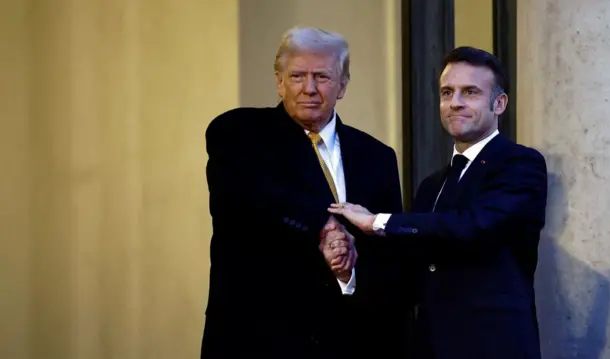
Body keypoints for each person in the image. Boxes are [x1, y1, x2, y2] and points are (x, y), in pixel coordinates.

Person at [201, 26, 414, 359]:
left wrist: (349, 272)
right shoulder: (240, 134)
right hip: (259, 339)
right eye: (297, 76)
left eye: (323, 77)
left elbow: (389, 255)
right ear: (279, 81)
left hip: (350, 340)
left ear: (343, 86)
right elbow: (247, 203)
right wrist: (324, 226)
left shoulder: (377, 156)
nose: (309, 89)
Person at [328, 46, 548, 359]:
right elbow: (414, 272)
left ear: (499, 103)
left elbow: (476, 225)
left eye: (470, 92)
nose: (455, 103)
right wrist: (348, 269)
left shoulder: (520, 164)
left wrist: (379, 221)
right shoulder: (432, 185)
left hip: (494, 347)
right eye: (447, 92)